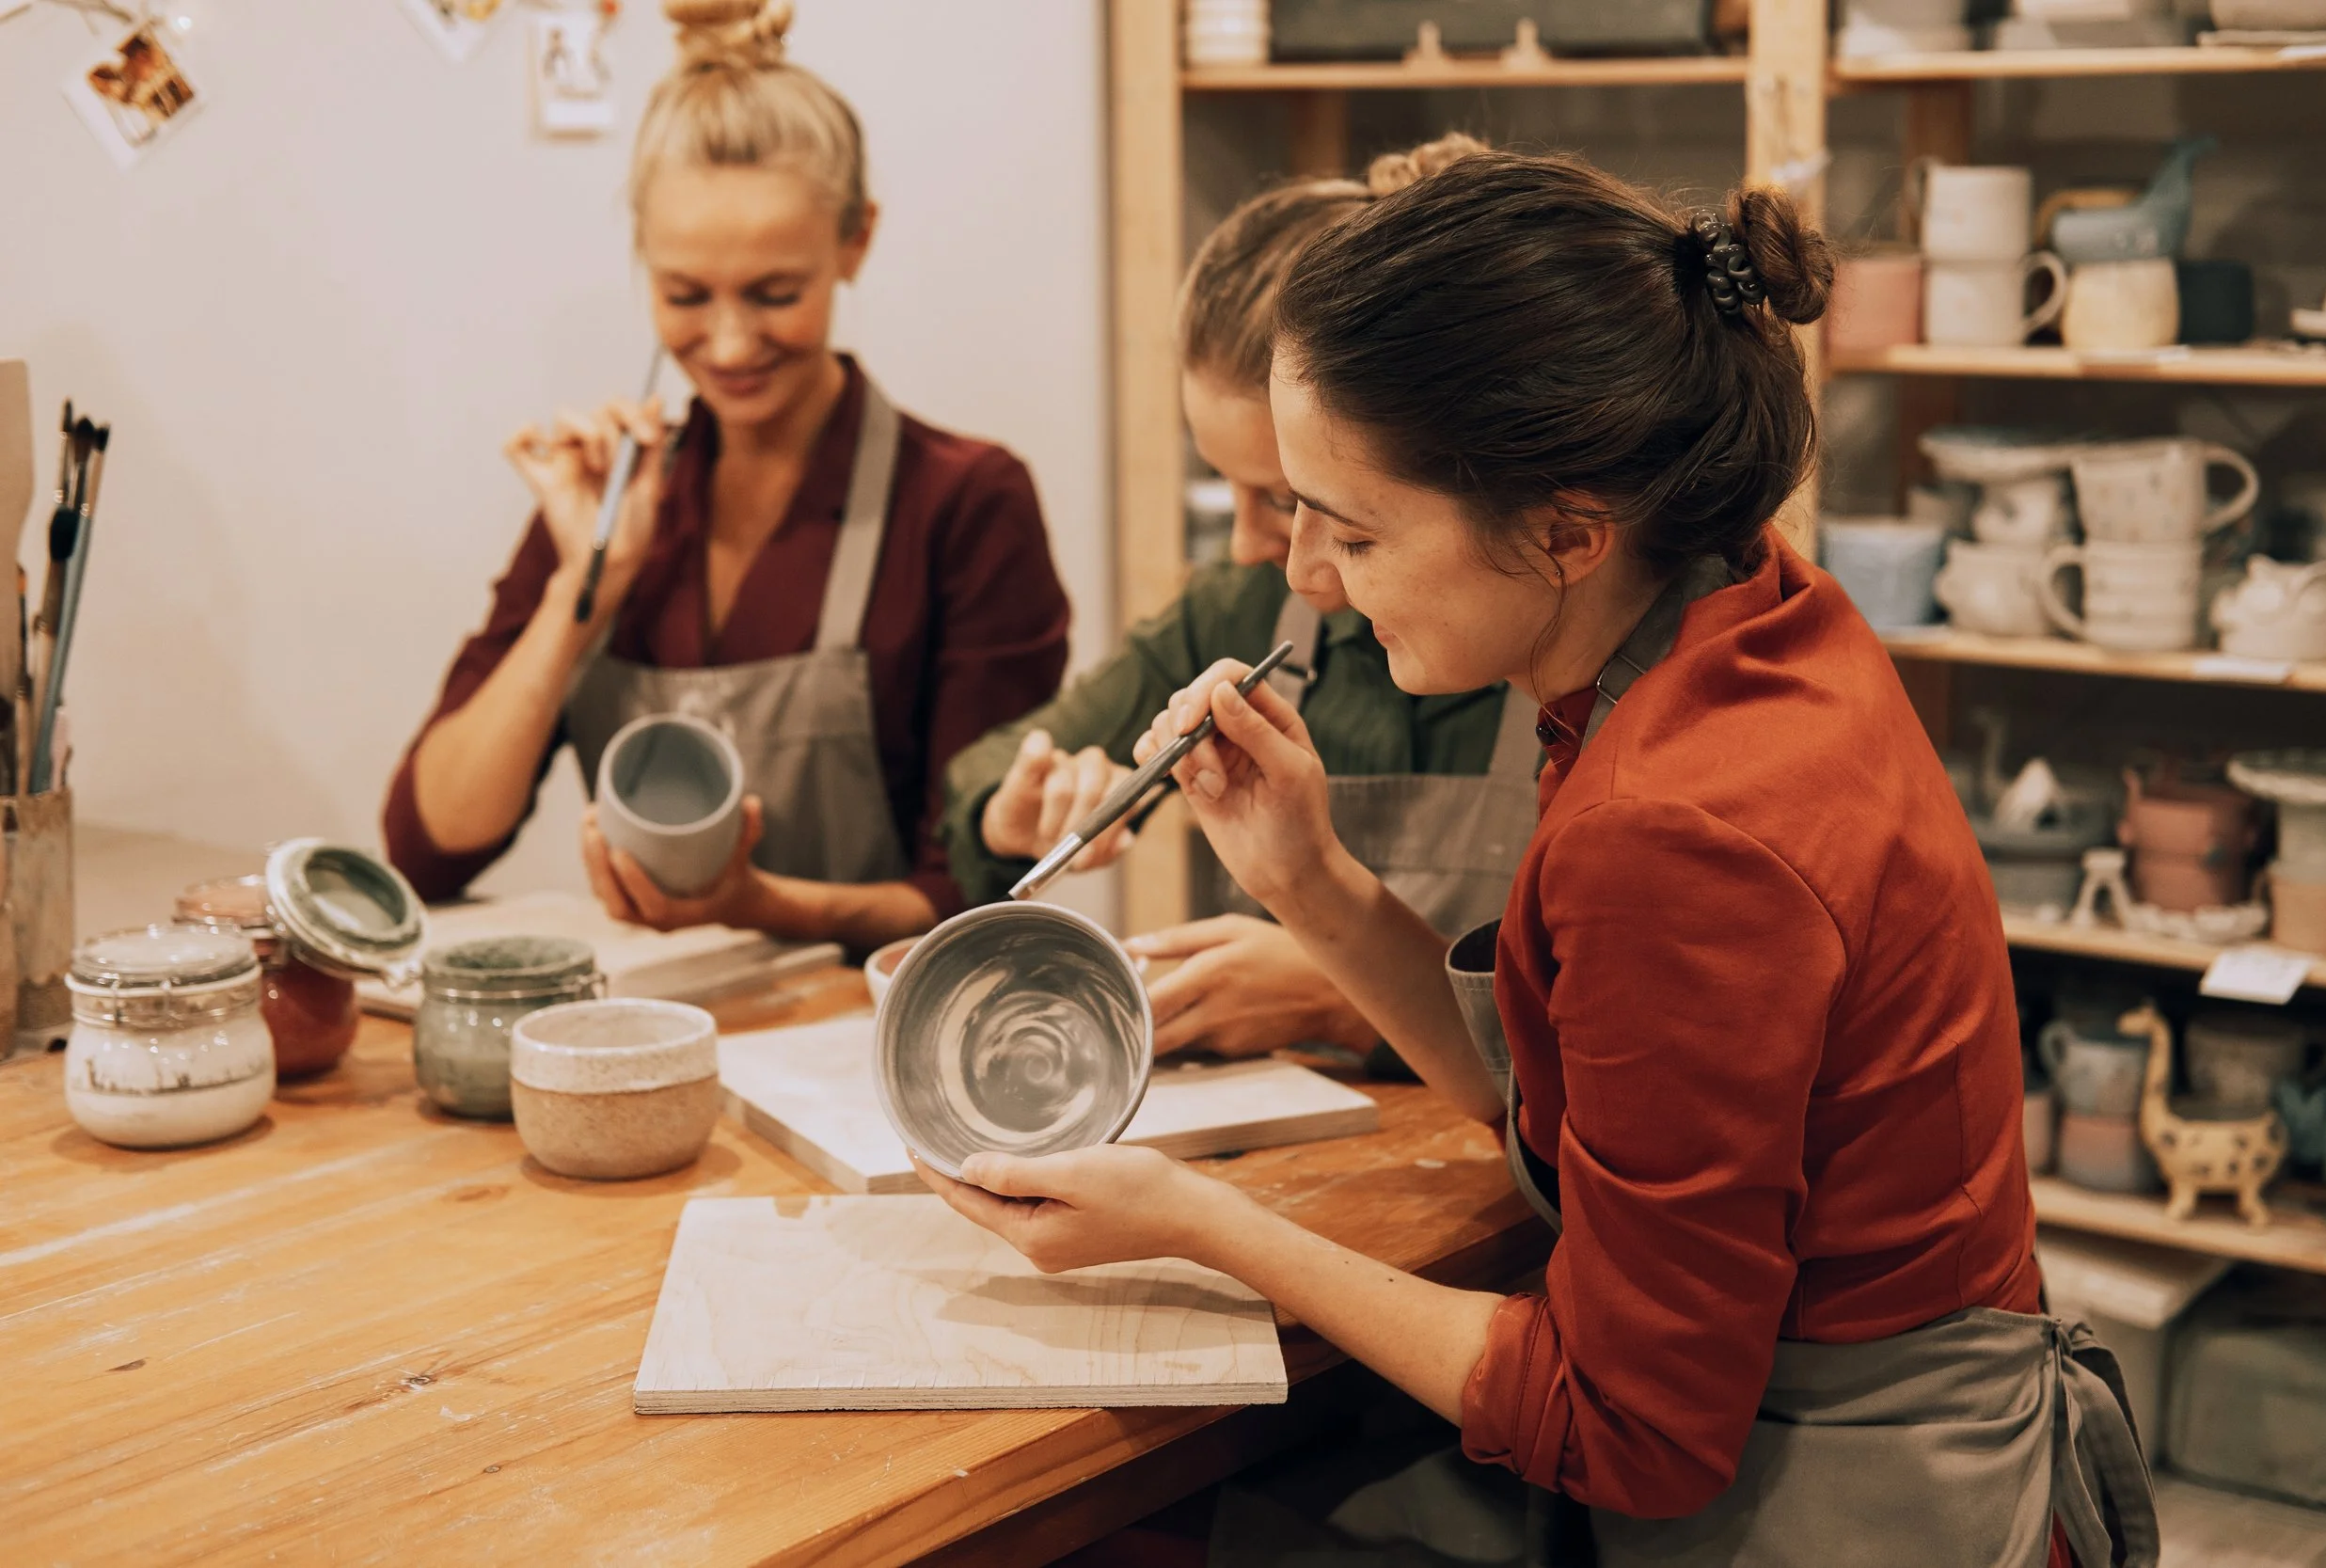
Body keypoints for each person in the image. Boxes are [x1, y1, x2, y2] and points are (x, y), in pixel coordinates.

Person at [920, 150, 2156, 1565]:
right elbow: (1574, 1116)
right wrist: (1311, 879)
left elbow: (1630, 1422)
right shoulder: (1744, 606)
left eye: (1353, 527)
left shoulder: (1676, 824)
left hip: (1857, 1498)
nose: (1307, 577)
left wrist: (1200, 1221)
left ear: (1568, 531)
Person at [383, 0, 1068, 953]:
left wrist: (751, 902)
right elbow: (429, 845)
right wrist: (579, 599)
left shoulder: (962, 504)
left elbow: (983, 894)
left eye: (775, 295)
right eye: (685, 295)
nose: (733, 342)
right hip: (659, 1031)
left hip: (875, 1047)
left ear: (855, 241)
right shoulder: (612, 498)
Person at [941, 133, 1537, 1062]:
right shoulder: (1238, 613)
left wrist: (1345, 993)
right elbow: (984, 774)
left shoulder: (1549, 650)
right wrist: (1018, 808)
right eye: (1227, 489)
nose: (1271, 552)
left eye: (1297, 501)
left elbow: (1607, 1052)